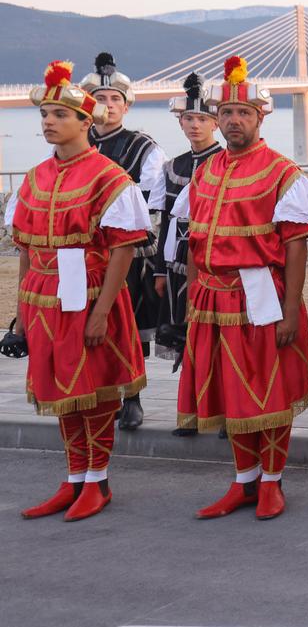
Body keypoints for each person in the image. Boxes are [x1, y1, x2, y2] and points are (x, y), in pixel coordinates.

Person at [168, 56, 308, 520]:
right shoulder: (205, 172)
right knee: (230, 392)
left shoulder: (281, 173)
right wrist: (194, 296)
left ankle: (272, 482)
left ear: (259, 119)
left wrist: (291, 309)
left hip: (260, 295)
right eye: (227, 114)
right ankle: (243, 481)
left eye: (244, 114)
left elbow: (296, 249)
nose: (234, 121)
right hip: (212, 299)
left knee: (266, 389)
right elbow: (195, 241)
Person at [6, 60, 150, 521]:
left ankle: (98, 481)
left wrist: (102, 311)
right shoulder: (32, 179)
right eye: (44, 115)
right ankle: (73, 478)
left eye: (59, 115)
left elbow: (123, 251)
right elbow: (26, 251)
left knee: (96, 390)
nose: (48, 122)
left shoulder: (109, 178)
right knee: (63, 393)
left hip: (88, 292)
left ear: (86, 122)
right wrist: (21, 313)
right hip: (44, 299)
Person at [84, 51, 166, 430]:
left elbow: (152, 206)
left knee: (124, 323)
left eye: (115, 99)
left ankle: (131, 397)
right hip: (81, 255)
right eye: (100, 99)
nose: (108, 105)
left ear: (126, 106)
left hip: (123, 252)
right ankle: (96, 393)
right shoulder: (77, 142)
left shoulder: (143, 147)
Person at [152, 72, 223, 437]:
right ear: (180, 122)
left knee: (217, 338)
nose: (195, 125)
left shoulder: (226, 161)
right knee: (186, 337)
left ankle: (225, 410)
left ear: (215, 122)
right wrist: (160, 271)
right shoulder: (172, 167)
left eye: (203, 119)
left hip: (214, 264)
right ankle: (192, 408)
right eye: (189, 119)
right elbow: (165, 220)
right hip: (178, 263)